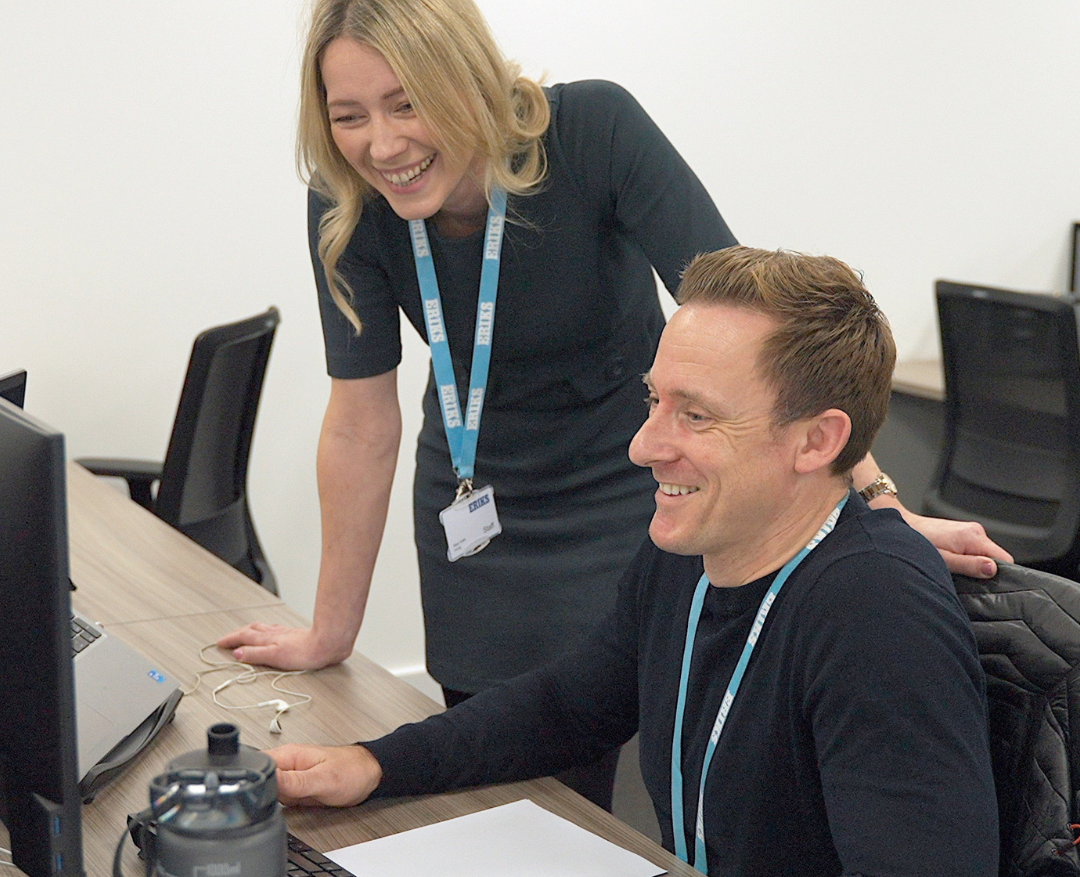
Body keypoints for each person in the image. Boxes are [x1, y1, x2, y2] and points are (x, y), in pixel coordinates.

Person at [218, 0, 1009, 809]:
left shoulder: (593, 131)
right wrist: (331, 629)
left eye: (408, 103)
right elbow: (361, 421)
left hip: (623, 492)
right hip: (475, 508)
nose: (383, 144)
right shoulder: (345, 201)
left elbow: (765, 343)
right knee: (479, 781)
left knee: (591, 759)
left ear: (468, 78)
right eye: (349, 115)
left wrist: (875, 510)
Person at [266, 247, 1000, 877]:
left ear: (815, 442)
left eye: (696, 414)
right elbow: (568, 707)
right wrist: (376, 764)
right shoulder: (692, 551)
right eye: (654, 401)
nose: (644, 446)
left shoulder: (877, 614)